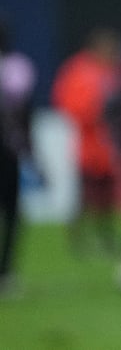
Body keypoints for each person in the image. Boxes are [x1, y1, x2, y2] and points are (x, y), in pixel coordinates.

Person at [50, 26, 121, 255]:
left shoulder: (114, 70)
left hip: (109, 144)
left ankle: (106, 237)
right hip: (88, 143)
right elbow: (65, 101)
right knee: (86, 194)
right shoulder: (78, 69)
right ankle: (76, 238)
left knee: (108, 197)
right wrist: (93, 112)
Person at [0, 18, 36, 295]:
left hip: (8, 151)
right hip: (10, 150)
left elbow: (24, 115)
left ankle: (6, 270)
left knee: (12, 212)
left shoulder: (17, 67)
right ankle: (6, 271)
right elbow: (25, 115)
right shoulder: (18, 68)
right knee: (12, 212)